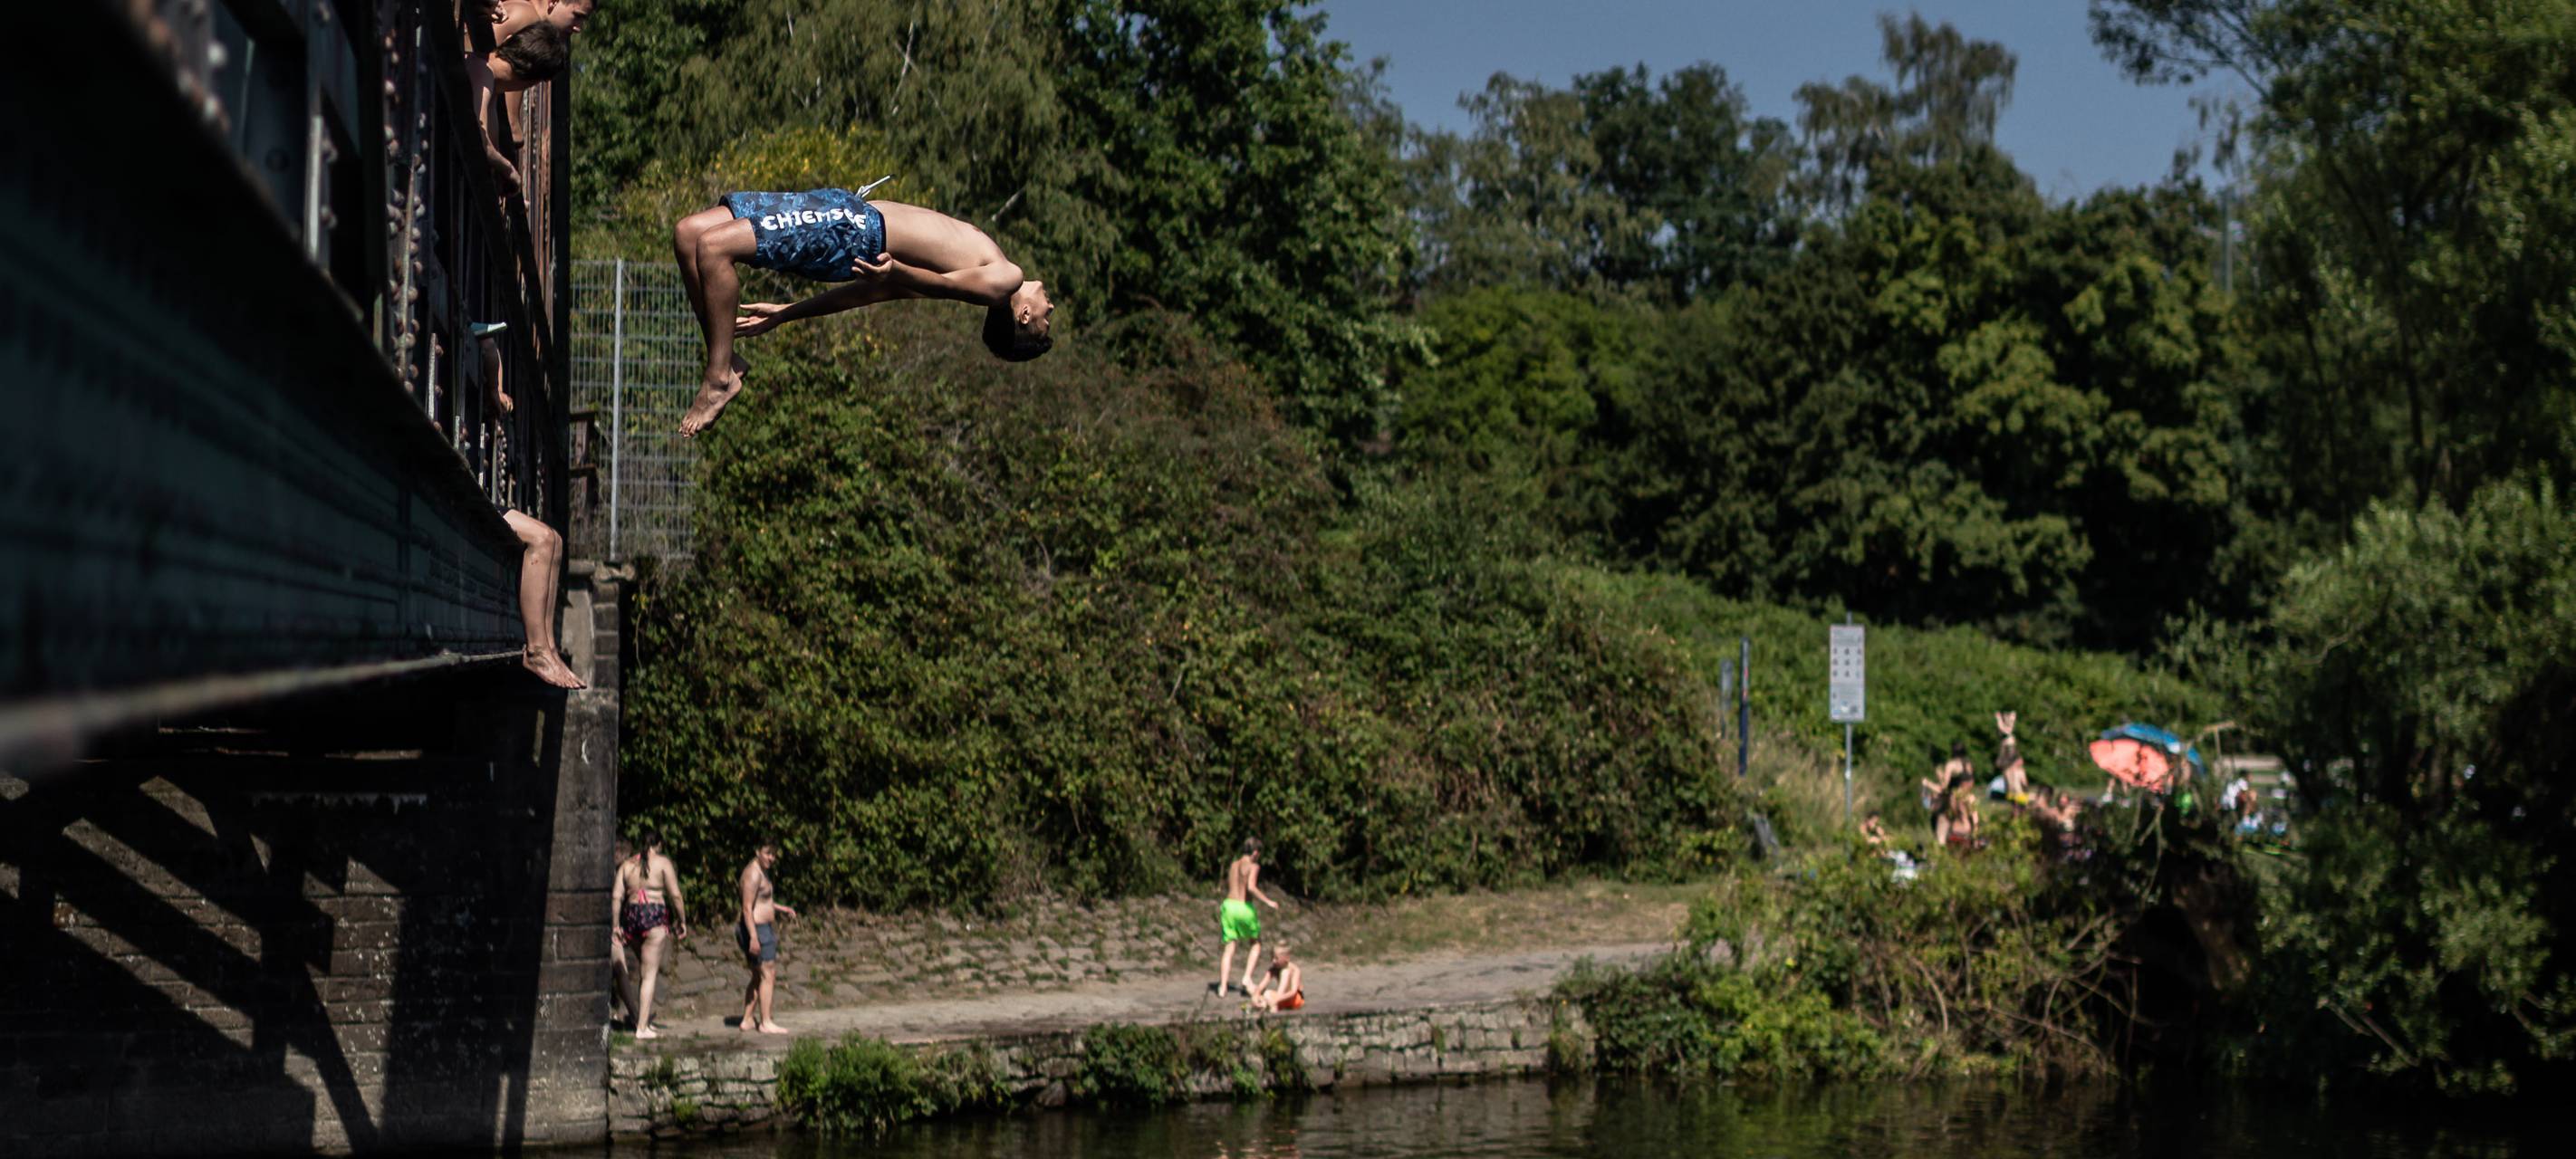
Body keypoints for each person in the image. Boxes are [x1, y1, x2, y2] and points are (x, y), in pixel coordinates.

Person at [670, 187, 1057, 436]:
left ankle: (719, 376)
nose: (1050, 307)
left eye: (1045, 319)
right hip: (844, 209)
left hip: (854, 228)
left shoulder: (1007, 279)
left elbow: (945, 285)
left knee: (715, 248)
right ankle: (726, 360)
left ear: (1023, 316)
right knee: (690, 235)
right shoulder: (958, 275)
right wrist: (786, 312)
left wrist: (899, 268)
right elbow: (865, 295)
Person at [463, 20, 569, 197]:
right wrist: (508, 169)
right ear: (531, 79)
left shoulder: (490, 81)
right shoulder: (483, 71)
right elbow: (478, 139)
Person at [612, 831, 687, 1039]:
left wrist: (616, 924)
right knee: (649, 974)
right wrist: (682, 920)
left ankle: (642, 1020)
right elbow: (675, 895)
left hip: (632, 917)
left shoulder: (627, 865)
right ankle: (642, 1028)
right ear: (660, 844)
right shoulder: (663, 863)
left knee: (646, 972)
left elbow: (617, 896)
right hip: (654, 916)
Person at [736, 839, 798, 1034]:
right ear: (757, 852)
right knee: (768, 974)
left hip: (761, 928)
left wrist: (781, 908)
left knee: (758, 975)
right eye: (767, 853)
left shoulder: (762, 871)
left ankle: (747, 1019)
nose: (771, 858)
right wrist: (754, 937)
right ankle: (766, 1022)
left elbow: (763, 901)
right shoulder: (753, 874)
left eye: (773, 854)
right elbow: (747, 908)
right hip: (757, 930)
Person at [1211, 838, 1280, 997]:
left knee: (1229, 947)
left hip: (1228, 906)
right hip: (1243, 907)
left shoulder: (1233, 865)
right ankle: (1247, 977)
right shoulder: (1253, 866)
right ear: (1255, 852)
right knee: (1256, 943)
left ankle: (1222, 987)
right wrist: (1268, 901)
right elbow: (1251, 887)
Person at [1248, 945, 1304, 1013]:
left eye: (1276, 958)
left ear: (1287, 958)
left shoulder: (1295, 970)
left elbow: (1293, 992)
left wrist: (1277, 999)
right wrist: (1255, 996)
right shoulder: (1273, 969)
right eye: (1272, 958)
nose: (1273, 961)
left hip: (1294, 1000)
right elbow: (1261, 986)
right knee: (1256, 990)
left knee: (1285, 972)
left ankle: (1273, 1004)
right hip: (1281, 998)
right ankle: (1267, 1004)